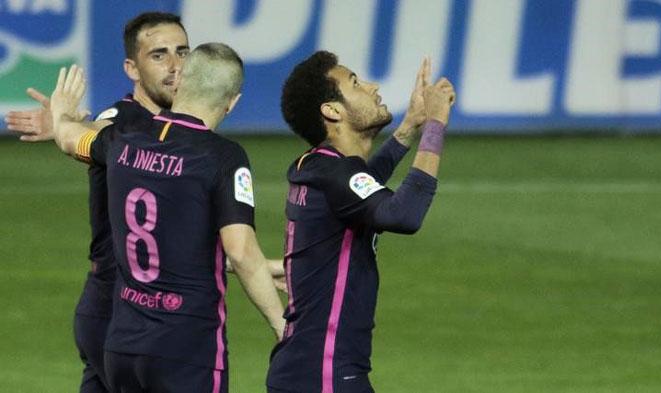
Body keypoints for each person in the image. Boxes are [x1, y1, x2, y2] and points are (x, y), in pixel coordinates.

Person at [50, 43, 285, 393]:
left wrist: (60, 114)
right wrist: (283, 327)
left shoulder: (122, 139)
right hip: (186, 347)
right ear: (233, 102)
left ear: (179, 83)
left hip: (123, 344)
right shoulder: (223, 157)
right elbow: (239, 250)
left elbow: (70, 140)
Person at [4, 12, 190, 393]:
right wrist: (66, 126)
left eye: (182, 52)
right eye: (159, 55)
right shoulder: (124, 118)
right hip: (119, 311)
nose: (175, 66)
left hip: (124, 310)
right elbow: (108, 132)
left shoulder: (175, 127)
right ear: (131, 69)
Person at [266, 51, 456, 393]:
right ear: (333, 110)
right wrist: (436, 125)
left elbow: (360, 190)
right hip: (326, 374)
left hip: (306, 369)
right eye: (355, 83)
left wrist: (409, 127)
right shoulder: (336, 175)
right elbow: (404, 214)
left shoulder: (315, 166)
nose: (372, 86)